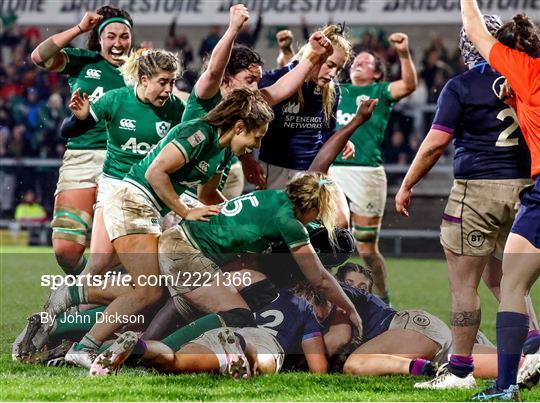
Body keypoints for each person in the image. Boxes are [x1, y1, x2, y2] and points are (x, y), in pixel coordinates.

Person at [43, 88, 274, 369]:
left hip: (148, 210)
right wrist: (186, 211)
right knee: (149, 291)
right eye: (256, 136)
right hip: (132, 201)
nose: (256, 145)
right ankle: (82, 341)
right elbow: (155, 173)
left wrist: (244, 222)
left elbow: (209, 197)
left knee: (149, 288)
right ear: (239, 126)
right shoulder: (197, 133)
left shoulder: (223, 153)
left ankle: (75, 308)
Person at [395, 15, 538, 391]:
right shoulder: (523, 75)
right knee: (509, 279)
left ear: (464, 47)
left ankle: (460, 369)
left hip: (478, 190)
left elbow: (437, 142)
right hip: (526, 188)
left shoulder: (461, 85)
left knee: (464, 285)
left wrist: (407, 183)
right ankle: (535, 345)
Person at [157, 172, 363, 341]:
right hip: (186, 250)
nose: (318, 219)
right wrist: (351, 309)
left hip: (182, 241)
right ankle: (160, 350)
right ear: (313, 207)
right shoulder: (288, 222)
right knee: (239, 315)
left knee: (195, 303)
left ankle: (143, 347)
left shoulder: (275, 197)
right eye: (320, 213)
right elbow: (320, 280)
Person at [459, 0, 540, 399]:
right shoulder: (526, 87)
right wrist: (514, 102)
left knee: (512, 284)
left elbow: (476, 30)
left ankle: (506, 386)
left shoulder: (526, 70)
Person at [182, 4, 334, 200]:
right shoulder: (207, 95)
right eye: (249, 80)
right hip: (179, 193)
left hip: (206, 191)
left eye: (257, 81)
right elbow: (213, 70)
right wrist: (233, 29)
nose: (255, 88)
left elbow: (282, 89)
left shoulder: (245, 103)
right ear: (226, 78)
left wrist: (313, 55)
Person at [59, 48, 185, 277]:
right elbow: (67, 131)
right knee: (99, 263)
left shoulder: (177, 109)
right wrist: (80, 118)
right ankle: (59, 309)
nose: (168, 90)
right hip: (115, 185)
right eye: (163, 82)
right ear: (144, 79)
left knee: (165, 268)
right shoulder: (116, 99)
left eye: (172, 82)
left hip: (154, 191)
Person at [30, 6, 134, 274]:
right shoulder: (83, 62)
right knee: (66, 250)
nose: (118, 43)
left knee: (118, 248)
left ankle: (103, 302)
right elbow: (39, 57)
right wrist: (79, 29)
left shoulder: (141, 70)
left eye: (124, 36)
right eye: (110, 36)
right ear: (99, 38)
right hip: (81, 158)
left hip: (125, 162)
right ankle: (92, 289)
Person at [329, 33, 417, 304]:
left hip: (366, 173)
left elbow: (409, 85)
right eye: (357, 61)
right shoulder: (334, 90)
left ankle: (382, 298)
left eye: (367, 63)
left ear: (378, 75)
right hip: (333, 171)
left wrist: (403, 53)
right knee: (331, 238)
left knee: (367, 250)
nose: (359, 63)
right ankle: (326, 296)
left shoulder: (380, 93)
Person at [252, 24, 353, 190]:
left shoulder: (333, 88)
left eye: (339, 68)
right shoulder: (274, 79)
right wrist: (247, 159)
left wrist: (342, 140)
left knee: (339, 216)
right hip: (274, 168)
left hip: (314, 171)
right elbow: (248, 124)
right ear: (316, 55)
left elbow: (328, 131)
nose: (333, 74)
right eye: (330, 64)